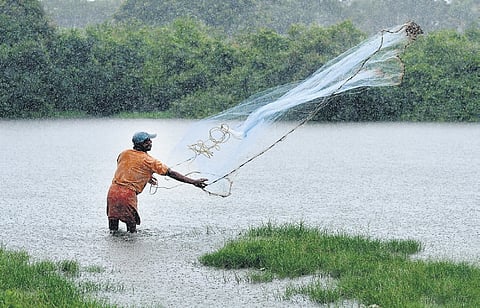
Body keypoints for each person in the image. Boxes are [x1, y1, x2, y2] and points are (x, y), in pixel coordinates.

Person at [107, 131, 208, 233]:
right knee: (131, 230)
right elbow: (171, 173)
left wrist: (147, 175)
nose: (150, 142)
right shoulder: (150, 161)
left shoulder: (124, 153)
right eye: (147, 141)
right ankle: (131, 248)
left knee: (113, 227)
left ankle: (113, 247)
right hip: (127, 195)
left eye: (150, 140)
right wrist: (193, 181)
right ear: (140, 144)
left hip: (112, 192)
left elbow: (125, 166)